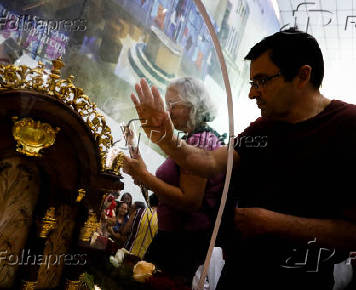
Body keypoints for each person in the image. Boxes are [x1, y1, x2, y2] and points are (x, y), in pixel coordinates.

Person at [128, 28, 356, 290]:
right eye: (251, 84)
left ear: (303, 75)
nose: (252, 94)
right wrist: (167, 139)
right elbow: (211, 162)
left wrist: (275, 223)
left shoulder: (347, 126)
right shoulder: (264, 128)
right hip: (240, 274)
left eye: (262, 81)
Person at [123, 77, 225, 285]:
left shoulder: (202, 141)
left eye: (172, 105)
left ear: (193, 104)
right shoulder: (191, 139)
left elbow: (190, 201)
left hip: (182, 246)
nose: (167, 112)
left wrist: (144, 177)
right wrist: (135, 152)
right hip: (173, 240)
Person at [122, 195, 159, 259]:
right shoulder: (161, 220)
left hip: (127, 253)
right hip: (144, 261)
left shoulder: (138, 211)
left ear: (150, 201)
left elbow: (124, 231)